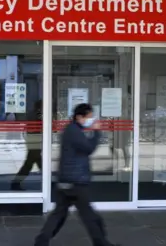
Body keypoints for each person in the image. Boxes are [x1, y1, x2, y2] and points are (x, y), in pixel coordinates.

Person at [34, 103, 119, 246]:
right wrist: (97, 132)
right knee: (89, 216)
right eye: (89, 117)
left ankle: (41, 242)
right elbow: (89, 148)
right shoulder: (73, 131)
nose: (91, 120)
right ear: (79, 117)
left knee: (59, 214)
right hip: (76, 181)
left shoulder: (73, 130)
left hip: (67, 179)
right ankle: (101, 243)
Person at [11, 100, 43, 191]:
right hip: (34, 140)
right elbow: (42, 125)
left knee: (37, 162)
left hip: (32, 139)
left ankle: (50, 182)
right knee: (30, 164)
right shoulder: (37, 114)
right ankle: (15, 183)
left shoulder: (32, 113)